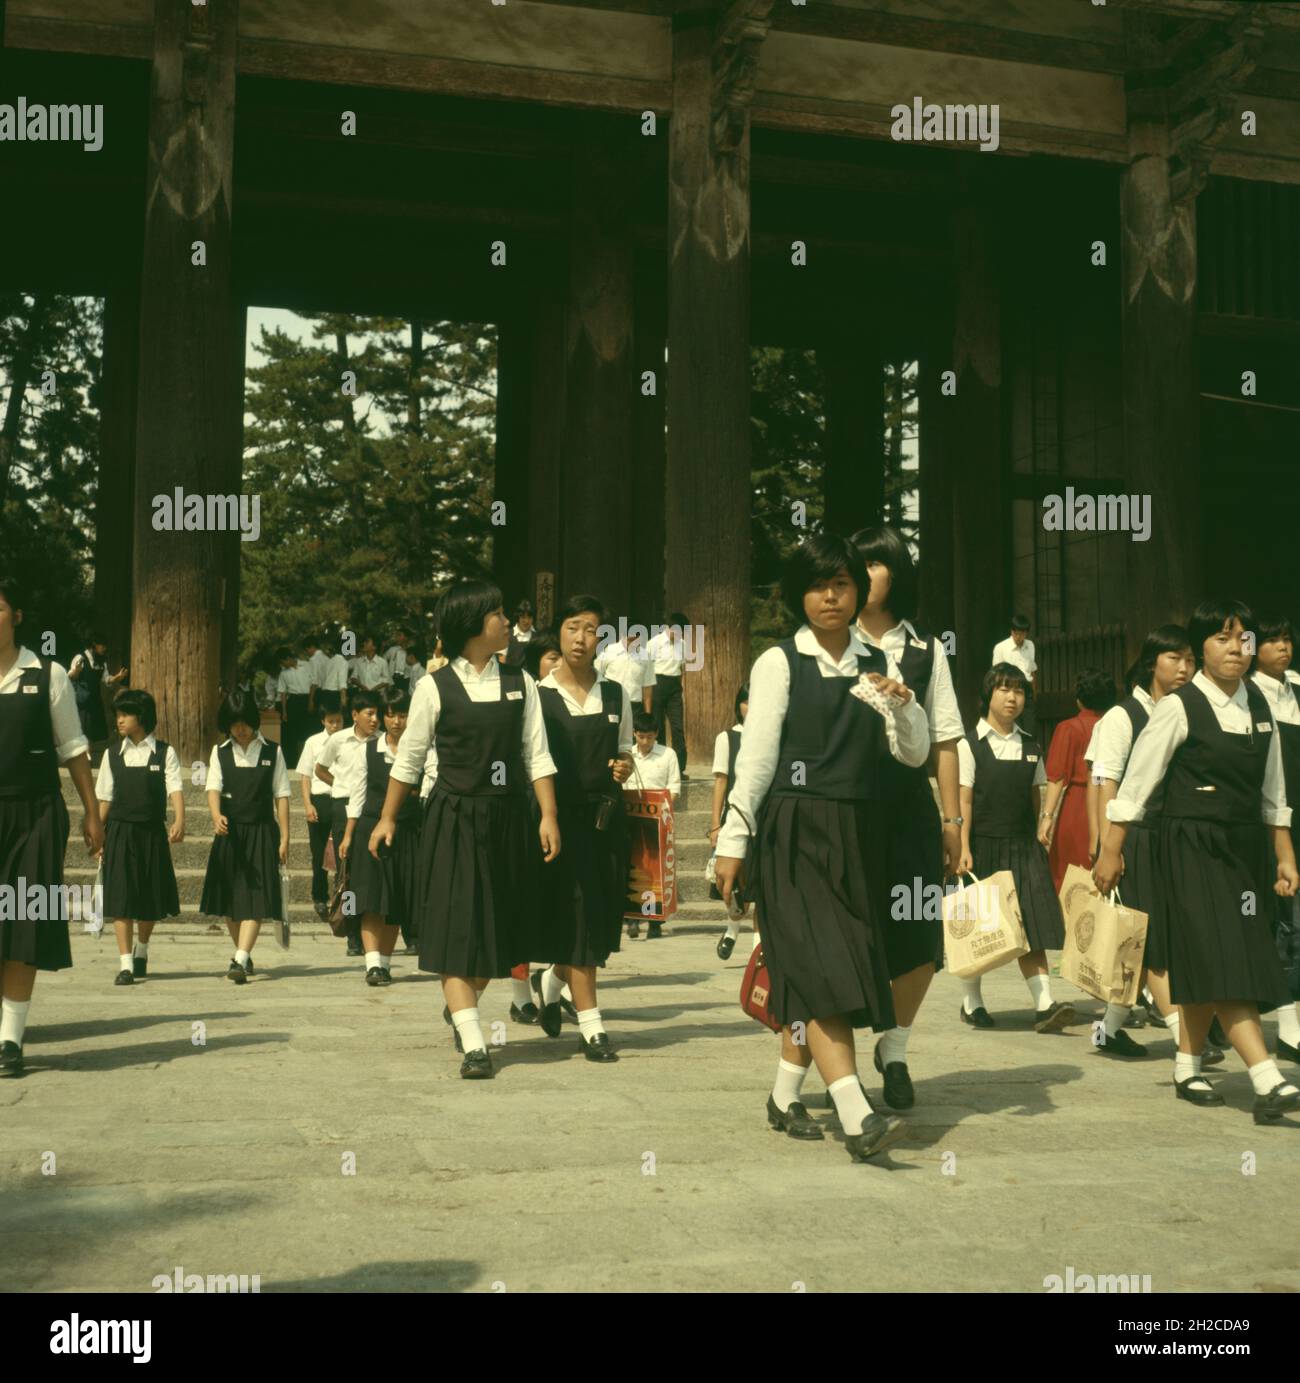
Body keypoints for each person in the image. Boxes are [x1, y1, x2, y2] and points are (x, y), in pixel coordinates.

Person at [714, 535, 930, 1161]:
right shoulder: (779, 662)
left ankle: (785, 1096)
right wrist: (733, 841)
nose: (829, 596)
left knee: (825, 967)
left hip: (859, 835)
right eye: (815, 586)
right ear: (797, 598)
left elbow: (912, 755)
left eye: (839, 584)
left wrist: (906, 708)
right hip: (793, 830)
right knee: (828, 968)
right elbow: (754, 760)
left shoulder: (877, 664)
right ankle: (857, 1113)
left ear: (858, 591)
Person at [1095, 600, 1299, 1123]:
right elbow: (1136, 784)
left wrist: (1284, 859)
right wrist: (1111, 850)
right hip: (1187, 846)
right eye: (1222, 639)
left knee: (1214, 955)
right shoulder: (1178, 707)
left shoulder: (1261, 706)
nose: (1236, 649)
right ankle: (1266, 1076)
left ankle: (1186, 1065)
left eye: (1243, 639)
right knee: (1226, 954)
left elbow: (1273, 793)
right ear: (1202, 649)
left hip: (1241, 849)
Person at [370, 579, 560, 1081]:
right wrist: (387, 817)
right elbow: (408, 760)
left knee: (492, 932)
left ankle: (461, 1007)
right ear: (473, 625)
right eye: (497, 614)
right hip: (452, 821)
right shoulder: (433, 687)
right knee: (458, 930)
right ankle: (476, 1044)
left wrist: (548, 815)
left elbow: (536, 755)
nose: (506, 621)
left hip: (507, 820)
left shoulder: (523, 683)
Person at [851, 523, 965, 1111]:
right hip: (844, 809)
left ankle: (894, 1050)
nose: (865, 575)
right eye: (858, 564)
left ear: (896, 572)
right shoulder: (831, 643)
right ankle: (835, 1068)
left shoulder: (926, 650)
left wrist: (953, 823)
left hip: (908, 812)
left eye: (876, 564)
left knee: (921, 937)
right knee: (848, 934)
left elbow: (946, 741)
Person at [1086, 626, 1212, 1059]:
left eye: (1190, 659)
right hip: (1135, 836)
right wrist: (1109, 849)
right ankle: (1185, 1037)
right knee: (1153, 937)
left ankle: (1107, 1031)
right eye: (1174, 658)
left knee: (1141, 937)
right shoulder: (1122, 716)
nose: (1184, 667)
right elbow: (1105, 782)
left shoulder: (1187, 710)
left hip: (1173, 835)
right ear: (1151, 663)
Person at [0, 577, 102, 1078]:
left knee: (21, 918)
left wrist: (92, 811)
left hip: (35, 814)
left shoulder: (48, 674)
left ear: (16, 616)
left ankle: (10, 1041)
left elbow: (74, 748)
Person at [529, 595, 635, 1061]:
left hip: (605, 822)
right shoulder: (538, 693)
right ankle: (592, 1027)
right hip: (559, 823)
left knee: (595, 915)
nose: (581, 637)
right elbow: (530, 760)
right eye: (573, 627)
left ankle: (550, 982)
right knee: (577, 914)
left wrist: (624, 766)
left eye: (591, 629)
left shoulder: (615, 693)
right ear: (560, 633)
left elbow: (627, 749)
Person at [956, 662, 1075, 1033]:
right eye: (1004, 689)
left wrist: (1042, 826)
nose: (1012, 697)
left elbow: (1035, 793)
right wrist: (961, 846)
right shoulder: (968, 745)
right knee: (981, 929)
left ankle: (1044, 1005)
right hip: (983, 846)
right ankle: (971, 1001)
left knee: (1033, 926)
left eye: (1019, 691)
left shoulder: (1030, 744)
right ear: (988, 695)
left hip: (1023, 847)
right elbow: (965, 801)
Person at [199, 690, 291, 984]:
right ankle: (243, 953)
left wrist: (285, 837)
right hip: (230, 834)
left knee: (256, 898)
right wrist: (216, 816)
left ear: (254, 721)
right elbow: (212, 788)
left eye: (244, 722)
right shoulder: (220, 752)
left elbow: (283, 796)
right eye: (233, 723)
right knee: (230, 901)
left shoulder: (272, 752)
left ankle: (239, 958)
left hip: (262, 832)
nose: (239, 729)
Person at [96, 688, 183, 986]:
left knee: (149, 896)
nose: (119, 720)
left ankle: (141, 949)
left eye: (125, 714)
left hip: (151, 833)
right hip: (119, 832)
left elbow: (174, 789)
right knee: (121, 896)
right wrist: (96, 831)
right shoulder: (111, 754)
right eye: (117, 715)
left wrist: (179, 819)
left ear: (142, 717)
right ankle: (125, 965)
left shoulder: (164, 752)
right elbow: (105, 798)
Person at [341, 687, 423, 984]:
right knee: (370, 898)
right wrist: (349, 835)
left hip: (408, 833)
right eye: (391, 715)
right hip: (371, 830)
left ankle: (384, 965)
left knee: (395, 902)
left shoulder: (423, 750)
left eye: (403, 715)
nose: (397, 722)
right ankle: (372, 964)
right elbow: (357, 794)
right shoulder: (368, 750)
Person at [1249, 614, 1300, 1067]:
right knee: (1271, 918)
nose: (1282, 647)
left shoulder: (1296, 689)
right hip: (1260, 821)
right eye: (1272, 640)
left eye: (1286, 639)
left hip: (1294, 817)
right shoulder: (1247, 695)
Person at [315, 689, 381, 959]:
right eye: (370, 714)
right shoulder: (339, 740)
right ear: (355, 715)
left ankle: (378, 932)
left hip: (373, 810)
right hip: (343, 808)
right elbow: (320, 768)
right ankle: (353, 934)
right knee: (349, 872)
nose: (375, 719)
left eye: (378, 714)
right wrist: (340, 785)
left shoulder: (382, 742)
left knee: (372, 872)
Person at [1040, 668, 1115, 892]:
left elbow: (1056, 777)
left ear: (1079, 699)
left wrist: (1047, 817)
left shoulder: (1068, 728)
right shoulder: (1116, 725)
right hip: (1110, 801)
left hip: (1077, 804)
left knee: (1067, 875)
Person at [624, 709, 681, 940]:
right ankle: (632, 919)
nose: (645, 741)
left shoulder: (667, 755)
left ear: (656, 734)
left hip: (658, 818)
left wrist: (663, 807)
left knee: (656, 870)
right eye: (640, 736)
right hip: (630, 817)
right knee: (633, 867)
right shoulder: (627, 755)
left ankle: (655, 922)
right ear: (634, 734)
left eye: (649, 736)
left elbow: (674, 787)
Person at [710, 683, 750, 960]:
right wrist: (715, 824)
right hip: (734, 818)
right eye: (746, 701)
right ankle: (732, 929)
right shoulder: (727, 738)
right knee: (735, 886)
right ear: (738, 705)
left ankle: (760, 950)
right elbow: (721, 781)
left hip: (766, 818)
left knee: (759, 885)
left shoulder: (776, 734)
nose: (752, 707)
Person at [296, 705, 344, 920]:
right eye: (331, 721)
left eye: (338, 721)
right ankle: (319, 896)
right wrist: (308, 805)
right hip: (320, 799)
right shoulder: (313, 742)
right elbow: (305, 776)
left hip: (343, 800)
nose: (335, 726)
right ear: (323, 721)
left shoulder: (348, 740)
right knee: (319, 853)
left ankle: (343, 900)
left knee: (345, 855)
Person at [647, 611, 689, 779]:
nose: (677, 635)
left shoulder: (683, 645)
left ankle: (679, 768)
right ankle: (660, 768)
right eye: (675, 631)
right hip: (657, 684)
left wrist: (680, 688)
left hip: (674, 688)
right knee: (659, 728)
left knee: (678, 727)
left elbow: (682, 669)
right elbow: (646, 669)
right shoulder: (653, 643)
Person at [68, 635, 127, 749]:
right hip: (82, 699)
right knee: (82, 728)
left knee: (91, 730)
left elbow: (106, 679)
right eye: (102, 645)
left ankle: (87, 754)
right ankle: (85, 754)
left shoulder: (101, 661)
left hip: (94, 699)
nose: (104, 648)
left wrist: (118, 677)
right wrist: (76, 671)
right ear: (94, 645)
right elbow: (70, 676)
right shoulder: (80, 658)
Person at [595, 623, 655, 714]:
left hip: (634, 707)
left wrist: (647, 714)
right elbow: (595, 676)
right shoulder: (609, 651)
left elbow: (647, 687)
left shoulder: (645, 656)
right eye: (630, 640)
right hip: (610, 703)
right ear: (622, 635)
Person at [992, 615, 1037, 735]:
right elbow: (996, 675)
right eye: (1016, 633)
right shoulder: (1001, 648)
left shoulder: (1030, 646)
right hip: (1010, 690)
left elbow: (1032, 670)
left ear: (1026, 633)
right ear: (1011, 631)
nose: (1019, 637)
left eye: (1022, 634)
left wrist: (1033, 693)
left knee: (1030, 728)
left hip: (1027, 691)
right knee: (1013, 727)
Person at [276, 645, 314, 771]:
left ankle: (308, 762)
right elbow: (282, 693)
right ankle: (292, 764)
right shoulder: (283, 673)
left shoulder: (307, 665)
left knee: (308, 732)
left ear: (288, 658)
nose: (283, 664)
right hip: (293, 701)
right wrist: (285, 711)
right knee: (292, 734)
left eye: (283, 661)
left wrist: (311, 701)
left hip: (308, 698)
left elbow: (314, 683)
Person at [316, 637, 351, 715]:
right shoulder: (342, 661)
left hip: (324, 693)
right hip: (335, 695)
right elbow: (342, 682)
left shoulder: (328, 661)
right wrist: (343, 699)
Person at [501, 601, 535, 668]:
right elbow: (502, 660)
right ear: (518, 618)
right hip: (512, 676)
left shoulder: (538, 637)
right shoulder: (507, 635)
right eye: (523, 617)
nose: (526, 621)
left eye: (529, 617)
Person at [384, 628, 412, 695]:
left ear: (406, 637)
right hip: (392, 680)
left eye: (399, 635)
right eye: (396, 635)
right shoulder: (393, 650)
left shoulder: (412, 651)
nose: (397, 638)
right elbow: (382, 661)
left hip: (406, 680)